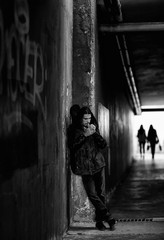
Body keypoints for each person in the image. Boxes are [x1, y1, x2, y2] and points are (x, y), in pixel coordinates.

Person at [68, 106, 116, 231]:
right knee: (92, 194)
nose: (87, 121)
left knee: (100, 194)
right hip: (85, 168)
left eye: (89, 118)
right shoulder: (73, 130)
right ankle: (108, 216)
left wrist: (95, 134)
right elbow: (73, 146)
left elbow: (103, 144)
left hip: (98, 165)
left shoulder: (93, 127)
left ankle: (100, 222)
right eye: (85, 119)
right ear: (79, 119)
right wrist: (84, 135)